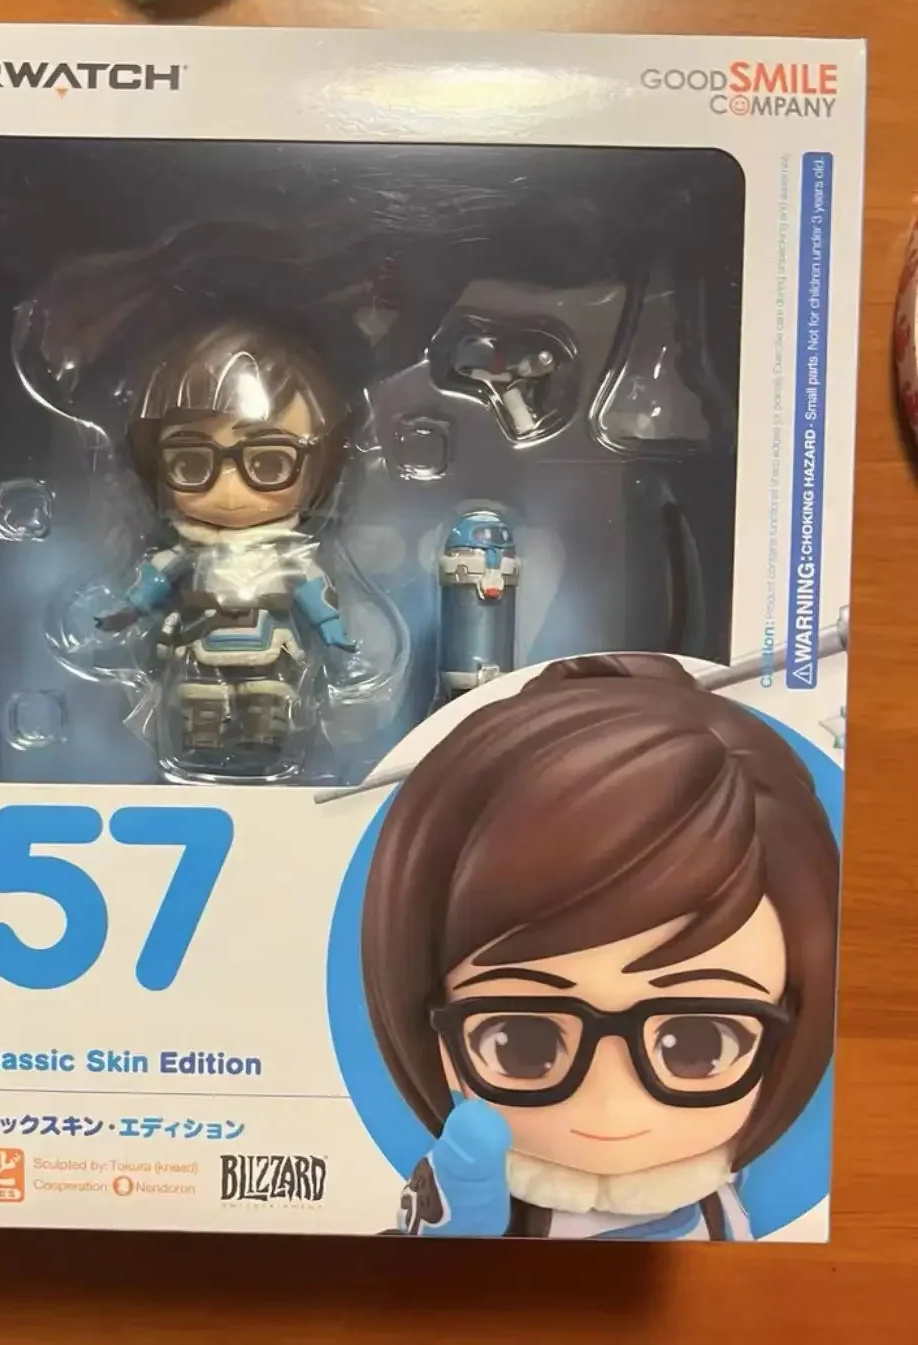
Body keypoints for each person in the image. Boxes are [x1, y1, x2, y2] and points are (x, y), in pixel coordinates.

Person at [361, 653, 839, 1240]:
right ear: (431, 1025)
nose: (611, 1107)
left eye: (698, 1046)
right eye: (521, 1043)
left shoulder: (723, 1209)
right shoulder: (467, 1207)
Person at [97, 319, 355, 774]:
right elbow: (155, 583)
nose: (230, 491)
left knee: (267, 704)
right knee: (200, 706)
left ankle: (266, 745)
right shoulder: (189, 555)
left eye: (269, 462)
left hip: (269, 648)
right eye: (192, 463)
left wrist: (330, 627)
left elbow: (311, 591)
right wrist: (128, 612)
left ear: (319, 464)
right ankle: (203, 747)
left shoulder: (286, 556)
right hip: (199, 647)